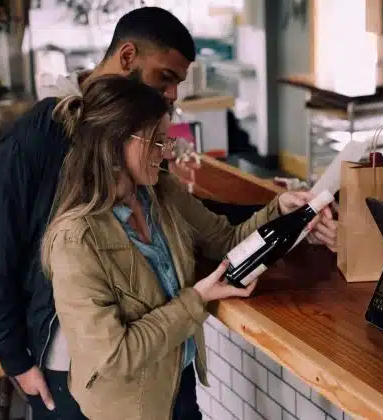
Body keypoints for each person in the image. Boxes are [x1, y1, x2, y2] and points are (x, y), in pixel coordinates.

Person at [0, 7, 336, 419]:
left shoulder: (152, 186)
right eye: (166, 78)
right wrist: (15, 358)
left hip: (164, 368)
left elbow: (216, 232)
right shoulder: (40, 145)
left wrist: (281, 212)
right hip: (77, 372)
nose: (174, 94)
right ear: (127, 59)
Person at [41, 74, 329, 419]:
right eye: (156, 140)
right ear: (115, 144)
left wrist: (279, 211)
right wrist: (197, 300)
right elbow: (114, 356)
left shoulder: (161, 193)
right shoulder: (76, 241)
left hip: (178, 381)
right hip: (129, 408)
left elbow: (226, 240)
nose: (166, 152)